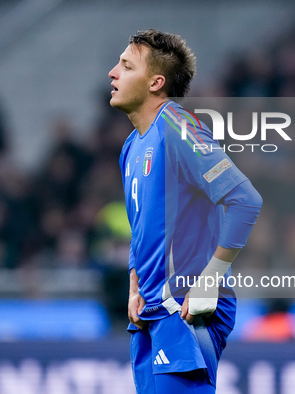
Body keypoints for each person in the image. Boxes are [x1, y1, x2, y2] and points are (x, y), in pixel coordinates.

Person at [109, 29, 262, 393]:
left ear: (155, 82)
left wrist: (211, 278)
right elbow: (144, 224)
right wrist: (135, 281)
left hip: (184, 308)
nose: (112, 73)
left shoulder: (178, 126)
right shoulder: (131, 146)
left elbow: (245, 200)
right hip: (150, 310)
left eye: (126, 66)